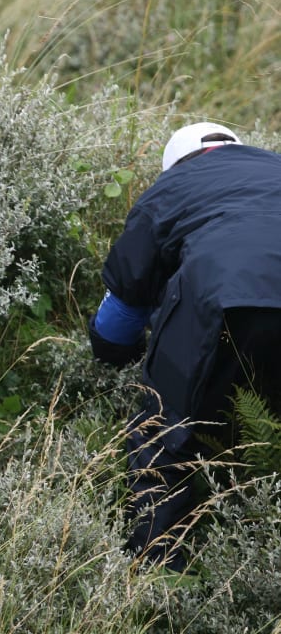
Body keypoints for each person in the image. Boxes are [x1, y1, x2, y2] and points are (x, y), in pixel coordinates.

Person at [88, 121, 281, 571]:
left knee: (163, 431)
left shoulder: (168, 190)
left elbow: (120, 314)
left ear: (173, 164)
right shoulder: (275, 168)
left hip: (222, 298)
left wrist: (115, 353)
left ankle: (154, 577)